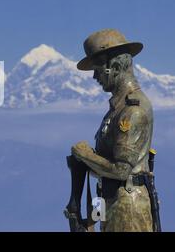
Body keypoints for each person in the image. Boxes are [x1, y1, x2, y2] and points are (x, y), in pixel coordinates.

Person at [71, 29, 154, 231]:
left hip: (127, 209)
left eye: (97, 69)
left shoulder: (132, 111)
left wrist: (86, 155)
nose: (94, 77)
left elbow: (121, 169)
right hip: (114, 203)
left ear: (113, 66)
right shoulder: (117, 109)